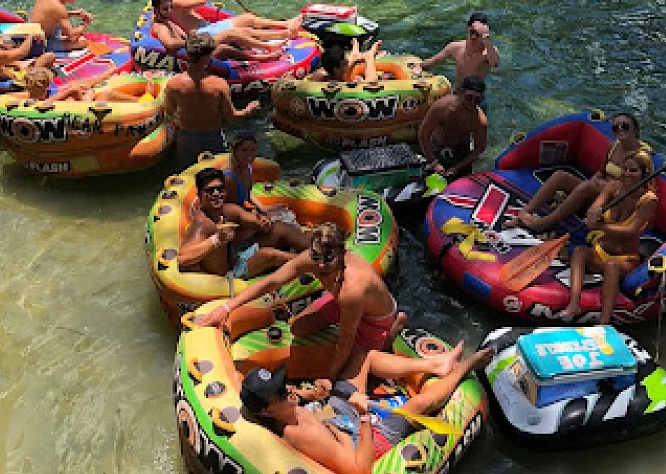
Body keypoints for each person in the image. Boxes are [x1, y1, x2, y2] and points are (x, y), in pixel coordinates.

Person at [197, 222, 407, 382]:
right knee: (298, 327)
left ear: (342, 253)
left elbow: (346, 339)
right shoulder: (312, 259)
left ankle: (391, 332)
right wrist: (226, 308)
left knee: (351, 377)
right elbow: (271, 281)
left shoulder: (351, 288)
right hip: (339, 303)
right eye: (316, 256)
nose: (321, 264)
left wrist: (330, 377)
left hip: (373, 319)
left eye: (328, 258)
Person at [237, 344, 496, 472]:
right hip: (365, 439)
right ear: (267, 411)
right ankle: (466, 366)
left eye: (284, 384)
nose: (289, 389)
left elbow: (306, 411)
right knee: (419, 404)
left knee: (364, 358)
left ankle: (435, 366)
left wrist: (311, 394)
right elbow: (359, 469)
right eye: (281, 392)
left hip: (333, 416)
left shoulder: (285, 409)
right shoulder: (302, 435)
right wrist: (363, 417)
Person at [505, 112, 651, 233]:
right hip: (599, 192)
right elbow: (601, 171)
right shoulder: (614, 146)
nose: (620, 129)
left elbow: (645, 187)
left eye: (625, 126)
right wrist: (595, 181)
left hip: (615, 200)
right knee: (560, 176)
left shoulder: (642, 156)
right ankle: (524, 214)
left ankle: (544, 223)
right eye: (615, 127)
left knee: (586, 187)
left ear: (635, 130)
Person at [560, 150, 658, 324]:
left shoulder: (648, 200)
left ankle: (603, 323)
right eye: (625, 169)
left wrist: (599, 225)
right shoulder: (613, 186)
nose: (627, 174)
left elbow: (631, 232)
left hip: (625, 258)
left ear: (645, 173)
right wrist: (593, 214)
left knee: (612, 266)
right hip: (600, 251)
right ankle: (574, 303)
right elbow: (594, 208)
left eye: (633, 171)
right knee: (580, 252)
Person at [177, 168, 298, 279]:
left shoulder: (227, 210)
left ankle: (311, 250)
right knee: (268, 255)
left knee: (281, 228)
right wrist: (216, 240)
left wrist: (263, 221)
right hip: (226, 276)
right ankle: (308, 262)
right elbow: (182, 258)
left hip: (237, 256)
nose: (216, 193)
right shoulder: (202, 223)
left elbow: (257, 222)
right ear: (200, 195)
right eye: (210, 190)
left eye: (220, 189)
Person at [164, 32, 261, 168]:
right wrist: (249, 109)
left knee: (187, 176)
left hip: (186, 138)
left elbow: (169, 112)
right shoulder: (219, 84)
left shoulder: (173, 84)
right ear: (207, 58)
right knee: (218, 173)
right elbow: (232, 118)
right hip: (212, 138)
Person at [163, 0, 302, 52]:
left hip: (208, 28)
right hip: (201, 35)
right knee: (243, 31)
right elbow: (201, 0)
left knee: (247, 18)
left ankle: (286, 24)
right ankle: (286, 34)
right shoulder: (175, 2)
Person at [149, 0, 282, 62]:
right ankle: (266, 50)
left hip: (193, 45)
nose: (170, 11)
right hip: (191, 52)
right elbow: (170, 44)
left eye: (171, 7)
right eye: (165, 9)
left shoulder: (161, 18)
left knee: (231, 38)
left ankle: (265, 46)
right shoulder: (160, 26)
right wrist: (192, 42)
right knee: (230, 35)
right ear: (156, 10)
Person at [418, 75, 488, 179]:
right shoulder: (441, 107)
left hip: (461, 153)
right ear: (461, 92)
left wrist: (458, 167)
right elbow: (423, 134)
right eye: (469, 98)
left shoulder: (480, 121)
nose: (472, 103)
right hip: (436, 148)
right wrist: (433, 162)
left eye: (477, 100)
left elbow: (479, 148)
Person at [419, 12, 500, 90]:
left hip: (475, 98)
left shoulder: (488, 52)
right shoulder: (456, 47)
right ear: (468, 29)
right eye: (472, 32)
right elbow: (433, 61)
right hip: (458, 92)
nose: (474, 37)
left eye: (478, 34)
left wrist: (486, 38)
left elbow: (494, 63)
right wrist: (417, 67)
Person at [29, 0, 93, 52]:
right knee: (83, 42)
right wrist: (85, 23)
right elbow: (71, 35)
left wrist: (73, 13)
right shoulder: (59, 8)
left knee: (65, 28)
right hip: (39, 43)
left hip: (30, 34)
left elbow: (50, 14)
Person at [23, 64, 135, 102]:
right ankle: (141, 101)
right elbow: (74, 91)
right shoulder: (49, 101)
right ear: (46, 87)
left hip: (71, 100)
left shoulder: (30, 98)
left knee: (80, 84)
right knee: (108, 94)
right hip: (84, 109)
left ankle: (105, 75)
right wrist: (87, 96)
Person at [308, 38, 381, 83]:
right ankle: (369, 56)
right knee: (371, 81)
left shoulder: (330, 70)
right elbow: (371, 83)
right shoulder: (327, 81)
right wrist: (370, 59)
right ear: (336, 70)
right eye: (344, 63)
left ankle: (355, 55)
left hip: (336, 71)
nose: (347, 63)